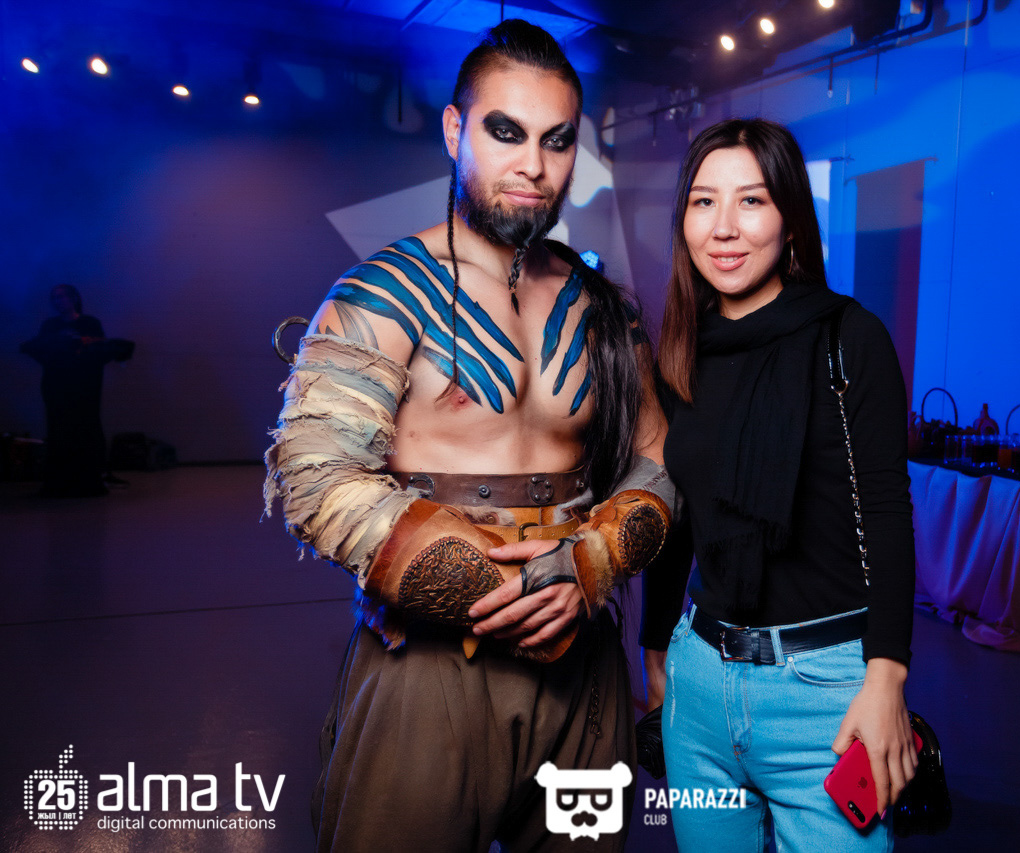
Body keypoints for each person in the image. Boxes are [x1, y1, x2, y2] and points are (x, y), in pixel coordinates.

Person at [263, 20, 675, 853]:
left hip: (582, 659)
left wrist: (590, 563)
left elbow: (656, 459)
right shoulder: (382, 292)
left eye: (557, 140)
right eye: (506, 132)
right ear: (455, 131)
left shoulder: (604, 309)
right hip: (429, 663)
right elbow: (314, 475)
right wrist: (498, 588)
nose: (534, 166)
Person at [642, 118, 918, 852]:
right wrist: (656, 651)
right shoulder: (681, 350)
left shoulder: (848, 337)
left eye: (752, 201)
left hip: (826, 694)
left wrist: (886, 678)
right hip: (699, 683)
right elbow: (680, 512)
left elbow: (887, 512)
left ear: (791, 218)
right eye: (703, 202)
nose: (724, 228)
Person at [20, 284, 110, 497]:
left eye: (62, 296)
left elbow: (100, 349)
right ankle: (59, 481)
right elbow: (40, 349)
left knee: (85, 427)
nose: (58, 301)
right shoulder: (50, 325)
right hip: (57, 386)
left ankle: (88, 480)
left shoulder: (90, 323)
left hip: (85, 387)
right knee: (59, 428)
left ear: (74, 298)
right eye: (55, 298)